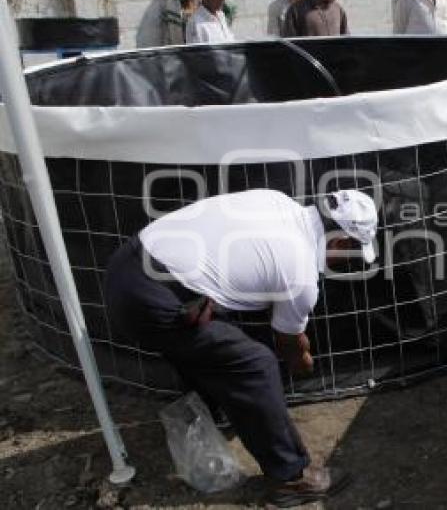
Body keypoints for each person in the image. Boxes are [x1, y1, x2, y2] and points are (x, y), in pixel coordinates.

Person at [104, 188, 377, 505]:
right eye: (353, 252)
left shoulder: (274, 199)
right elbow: (288, 341)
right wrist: (302, 362)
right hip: (150, 299)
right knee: (255, 364)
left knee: (215, 344)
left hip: (127, 265)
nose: (347, 260)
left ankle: (206, 412)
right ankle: (290, 478)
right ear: (340, 242)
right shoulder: (300, 271)